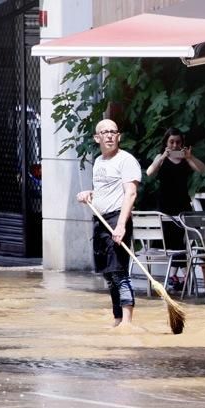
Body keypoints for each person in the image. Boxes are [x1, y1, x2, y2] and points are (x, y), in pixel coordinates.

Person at [76, 119, 142, 330]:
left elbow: (130, 193)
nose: (109, 136)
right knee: (108, 274)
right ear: (97, 138)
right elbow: (104, 191)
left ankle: (128, 322)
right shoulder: (98, 162)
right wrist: (89, 194)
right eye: (105, 132)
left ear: (118, 136)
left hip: (117, 219)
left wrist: (121, 225)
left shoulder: (126, 160)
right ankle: (117, 319)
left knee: (119, 272)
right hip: (101, 221)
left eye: (113, 131)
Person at [145, 127, 205, 288]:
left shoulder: (186, 159)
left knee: (181, 237)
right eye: (171, 142)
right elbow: (149, 172)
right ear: (166, 142)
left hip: (182, 203)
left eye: (178, 142)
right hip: (165, 203)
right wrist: (163, 157)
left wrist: (190, 156)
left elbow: (202, 170)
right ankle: (181, 274)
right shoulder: (161, 157)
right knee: (173, 240)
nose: (174, 145)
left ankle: (174, 276)